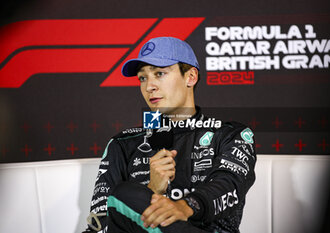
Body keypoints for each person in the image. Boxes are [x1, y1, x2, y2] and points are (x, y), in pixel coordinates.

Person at [84, 37, 256, 233]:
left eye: (159, 73)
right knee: (124, 195)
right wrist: (151, 190)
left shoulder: (230, 135)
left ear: (190, 77)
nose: (149, 86)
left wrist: (185, 206)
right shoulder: (123, 144)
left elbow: (229, 185)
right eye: (143, 78)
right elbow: (101, 223)